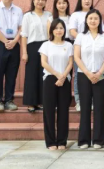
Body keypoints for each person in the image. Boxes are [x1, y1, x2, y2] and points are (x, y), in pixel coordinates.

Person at [74, 9, 104, 149]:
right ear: (86, 21)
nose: (93, 21)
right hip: (84, 75)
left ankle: (98, 140)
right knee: (85, 107)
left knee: (99, 107)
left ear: (100, 21)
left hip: (101, 75)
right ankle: (84, 140)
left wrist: (99, 72)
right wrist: (88, 73)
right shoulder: (80, 36)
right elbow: (77, 56)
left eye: (96, 18)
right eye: (90, 18)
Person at [39, 18, 73, 150]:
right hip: (50, 78)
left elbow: (70, 63)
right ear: (52, 30)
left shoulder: (68, 45)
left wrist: (63, 76)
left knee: (63, 111)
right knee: (49, 110)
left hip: (65, 80)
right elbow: (44, 63)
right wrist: (57, 74)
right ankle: (50, 141)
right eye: (56, 28)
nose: (59, 30)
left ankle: (62, 141)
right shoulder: (46, 45)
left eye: (61, 28)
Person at [21, 0, 52, 113]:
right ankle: (31, 103)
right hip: (32, 47)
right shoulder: (27, 16)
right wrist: (24, 52)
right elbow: (24, 35)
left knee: (44, 74)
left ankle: (42, 101)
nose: (40, 2)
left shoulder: (49, 15)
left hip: (46, 46)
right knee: (32, 75)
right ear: (33, 1)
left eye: (43, 0)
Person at [70, 0, 94, 111]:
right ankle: (79, 101)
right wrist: (84, 40)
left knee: (93, 72)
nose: (87, 1)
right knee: (79, 74)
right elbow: (72, 31)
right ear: (80, 1)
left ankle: (92, 101)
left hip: (94, 48)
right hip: (79, 48)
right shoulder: (75, 15)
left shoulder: (95, 13)